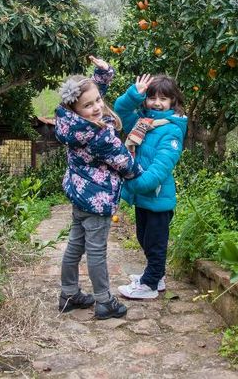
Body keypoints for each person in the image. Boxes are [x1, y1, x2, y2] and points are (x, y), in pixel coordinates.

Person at [54, 56, 143, 320]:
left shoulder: (71, 122)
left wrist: (102, 74)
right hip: (98, 200)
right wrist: (139, 164)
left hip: (80, 196)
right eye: (89, 105)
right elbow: (127, 166)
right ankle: (104, 301)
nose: (96, 107)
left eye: (98, 101)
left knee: (74, 246)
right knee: (96, 251)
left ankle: (68, 294)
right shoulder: (100, 136)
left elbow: (91, 95)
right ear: (77, 108)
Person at [114, 73, 187, 299]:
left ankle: (150, 285)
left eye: (164, 98)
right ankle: (157, 276)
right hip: (143, 197)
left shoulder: (172, 130)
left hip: (156, 197)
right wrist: (135, 94)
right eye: (152, 97)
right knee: (143, 238)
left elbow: (159, 169)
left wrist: (132, 182)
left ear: (173, 102)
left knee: (155, 244)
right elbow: (121, 111)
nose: (157, 102)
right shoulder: (142, 123)